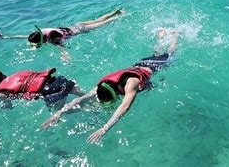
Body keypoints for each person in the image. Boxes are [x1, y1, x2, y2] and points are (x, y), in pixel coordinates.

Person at [41, 29, 180, 143]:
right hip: (140, 64)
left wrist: (105, 128)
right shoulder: (102, 86)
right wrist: (59, 113)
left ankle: (175, 36)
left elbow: (124, 107)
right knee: (155, 54)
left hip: (153, 67)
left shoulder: (132, 83)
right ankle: (161, 35)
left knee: (170, 55)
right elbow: (79, 99)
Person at [0, 9, 125, 49]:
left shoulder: (51, 37)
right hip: (76, 24)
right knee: (98, 19)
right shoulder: (40, 32)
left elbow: (61, 47)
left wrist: (66, 58)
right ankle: (116, 12)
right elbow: (22, 36)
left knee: (103, 23)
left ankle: (119, 17)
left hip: (80, 29)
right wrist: (7, 37)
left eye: (36, 44)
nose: (35, 46)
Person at [0, 68, 83, 108]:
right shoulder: (18, 73)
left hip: (49, 91)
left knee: (61, 111)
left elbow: (7, 104)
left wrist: (5, 104)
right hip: (58, 80)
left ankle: (83, 108)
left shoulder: (2, 91)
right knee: (83, 96)